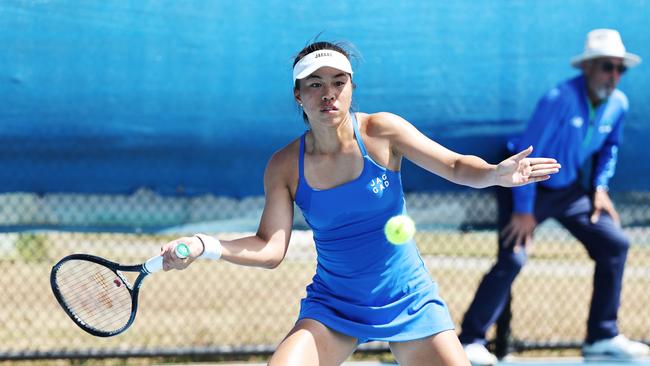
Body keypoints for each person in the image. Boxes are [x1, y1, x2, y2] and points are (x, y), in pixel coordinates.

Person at [160, 40, 560, 366]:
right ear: (298, 95)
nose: (328, 93)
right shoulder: (284, 166)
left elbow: (455, 165)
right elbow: (269, 248)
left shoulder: (382, 132)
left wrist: (492, 173)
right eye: (314, 84)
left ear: (352, 88)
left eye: (338, 81)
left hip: (408, 300)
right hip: (334, 306)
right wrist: (204, 244)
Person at [459, 29, 648, 365]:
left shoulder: (618, 104)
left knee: (615, 244)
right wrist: (524, 210)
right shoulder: (558, 99)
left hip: (570, 189)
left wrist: (600, 188)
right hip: (524, 183)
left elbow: (610, 148)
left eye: (621, 69)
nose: (614, 75)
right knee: (513, 258)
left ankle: (601, 336)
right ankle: (470, 341)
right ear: (588, 67)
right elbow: (526, 159)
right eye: (607, 66)